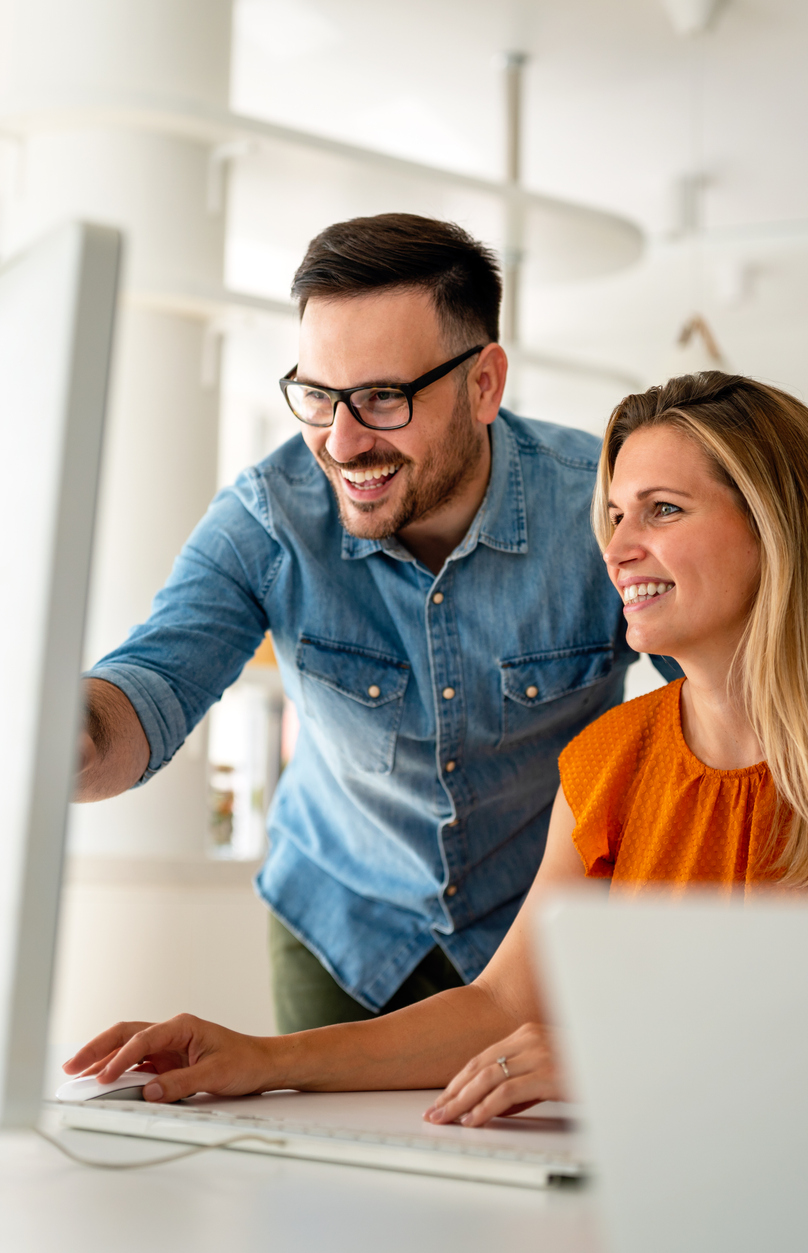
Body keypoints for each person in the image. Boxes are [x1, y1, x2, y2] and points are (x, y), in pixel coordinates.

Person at [66, 370, 808, 1126]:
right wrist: (262, 1059)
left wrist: (623, 1057)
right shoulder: (613, 760)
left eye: (662, 510)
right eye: (613, 515)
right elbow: (504, 1004)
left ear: (778, 525)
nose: (615, 548)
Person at [75, 212, 672, 1036]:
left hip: (539, 929)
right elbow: (149, 689)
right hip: (342, 927)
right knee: (332, 1161)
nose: (342, 440)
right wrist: (61, 736)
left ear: (484, 384)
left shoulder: (599, 508)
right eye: (318, 396)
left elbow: (723, 705)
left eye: (384, 397)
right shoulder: (268, 517)